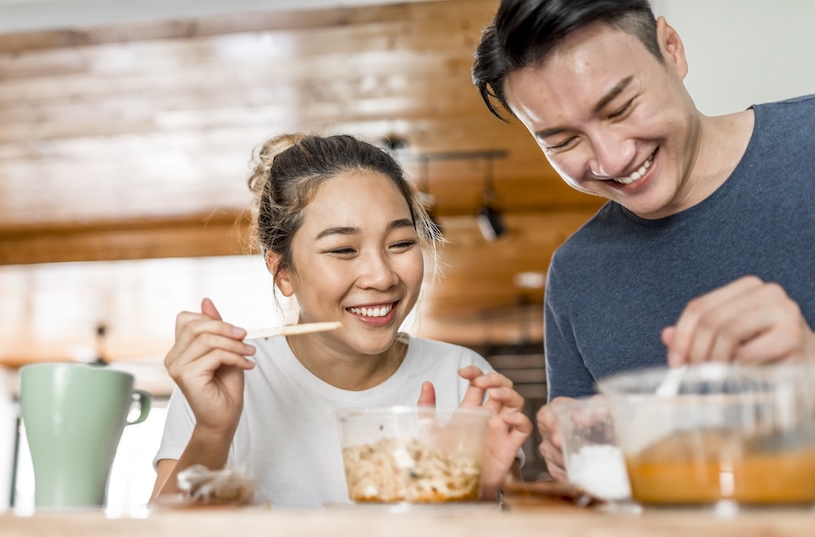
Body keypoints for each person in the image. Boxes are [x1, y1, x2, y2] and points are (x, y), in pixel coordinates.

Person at [472, 0, 815, 479]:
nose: (611, 161)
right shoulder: (576, 275)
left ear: (671, 49)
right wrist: (573, 466)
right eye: (563, 142)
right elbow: (599, 498)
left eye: (620, 107)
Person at [150, 133, 532, 506]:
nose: (382, 276)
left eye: (400, 244)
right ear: (282, 270)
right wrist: (214, 430)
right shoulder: (225, 380)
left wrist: (476, 494)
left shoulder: (462, 379)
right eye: (343, 249)